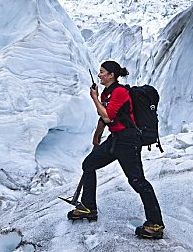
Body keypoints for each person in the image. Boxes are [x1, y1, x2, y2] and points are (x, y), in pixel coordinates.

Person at [68, 61, 165, 239]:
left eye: (102, 72)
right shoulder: (107, 93)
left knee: (137, 181)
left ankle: (156, 223)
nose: (99, 75)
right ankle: (89, 208)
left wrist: (94, 98)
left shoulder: (120, 92)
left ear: (112, 74)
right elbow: (104, 118)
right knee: (89, 164)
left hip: (128, 141)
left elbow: (108, 115)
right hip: (116, 139)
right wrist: (97, 135)